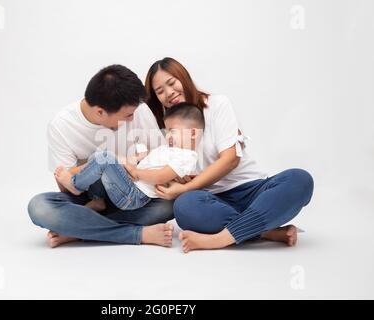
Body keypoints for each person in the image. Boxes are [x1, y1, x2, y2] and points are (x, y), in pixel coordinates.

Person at [145, 57, 314, 253]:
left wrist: (188, 185)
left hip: (252, 190)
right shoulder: (166, 128)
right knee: (184, 207)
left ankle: (219, 240)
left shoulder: (217, 104)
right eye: (160, 91)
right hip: (214, 202)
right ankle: (265, 231)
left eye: (172, 83)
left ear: (184, 78)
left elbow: (230, 159)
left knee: (299, 179)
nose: (169, 93)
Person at [27, 64, 174, 248]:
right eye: (127, 115)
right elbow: (67, 189)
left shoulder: (139, 110)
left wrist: (137, 165)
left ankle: (80, 230)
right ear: (100, 112)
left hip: (131, 193)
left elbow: (163, 158)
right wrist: (115, 161)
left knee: (168, 205)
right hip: (89, 198)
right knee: (39, 207)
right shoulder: (62, 126)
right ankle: (137, 233)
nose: (132, 118)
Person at [54, 103, 203, 211]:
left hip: (134, 196)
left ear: (193, 133)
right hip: (130, 184)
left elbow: (160, 176)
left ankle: (75, 185)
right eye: (168, 131)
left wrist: (137, 172)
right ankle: (97, 200)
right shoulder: (170, 149)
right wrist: (136, 157)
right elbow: (150, 157)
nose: (169, 135)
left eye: (173, 131)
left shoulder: (187, 156)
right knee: (97, 156)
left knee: (105, 158)